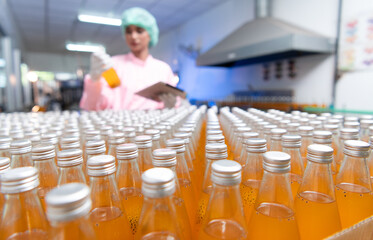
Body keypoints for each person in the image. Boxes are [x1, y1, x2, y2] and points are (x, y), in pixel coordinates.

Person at [79, 7, 178, 111]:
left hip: (155, 125)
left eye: (139, 31)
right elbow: (99, 104)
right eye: (129, 32)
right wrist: (94, 82)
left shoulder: (162, 69)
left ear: (150, 35)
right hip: (120, 125)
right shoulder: (113, 65)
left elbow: (175, 101)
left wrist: (171, 105)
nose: (133, 36)